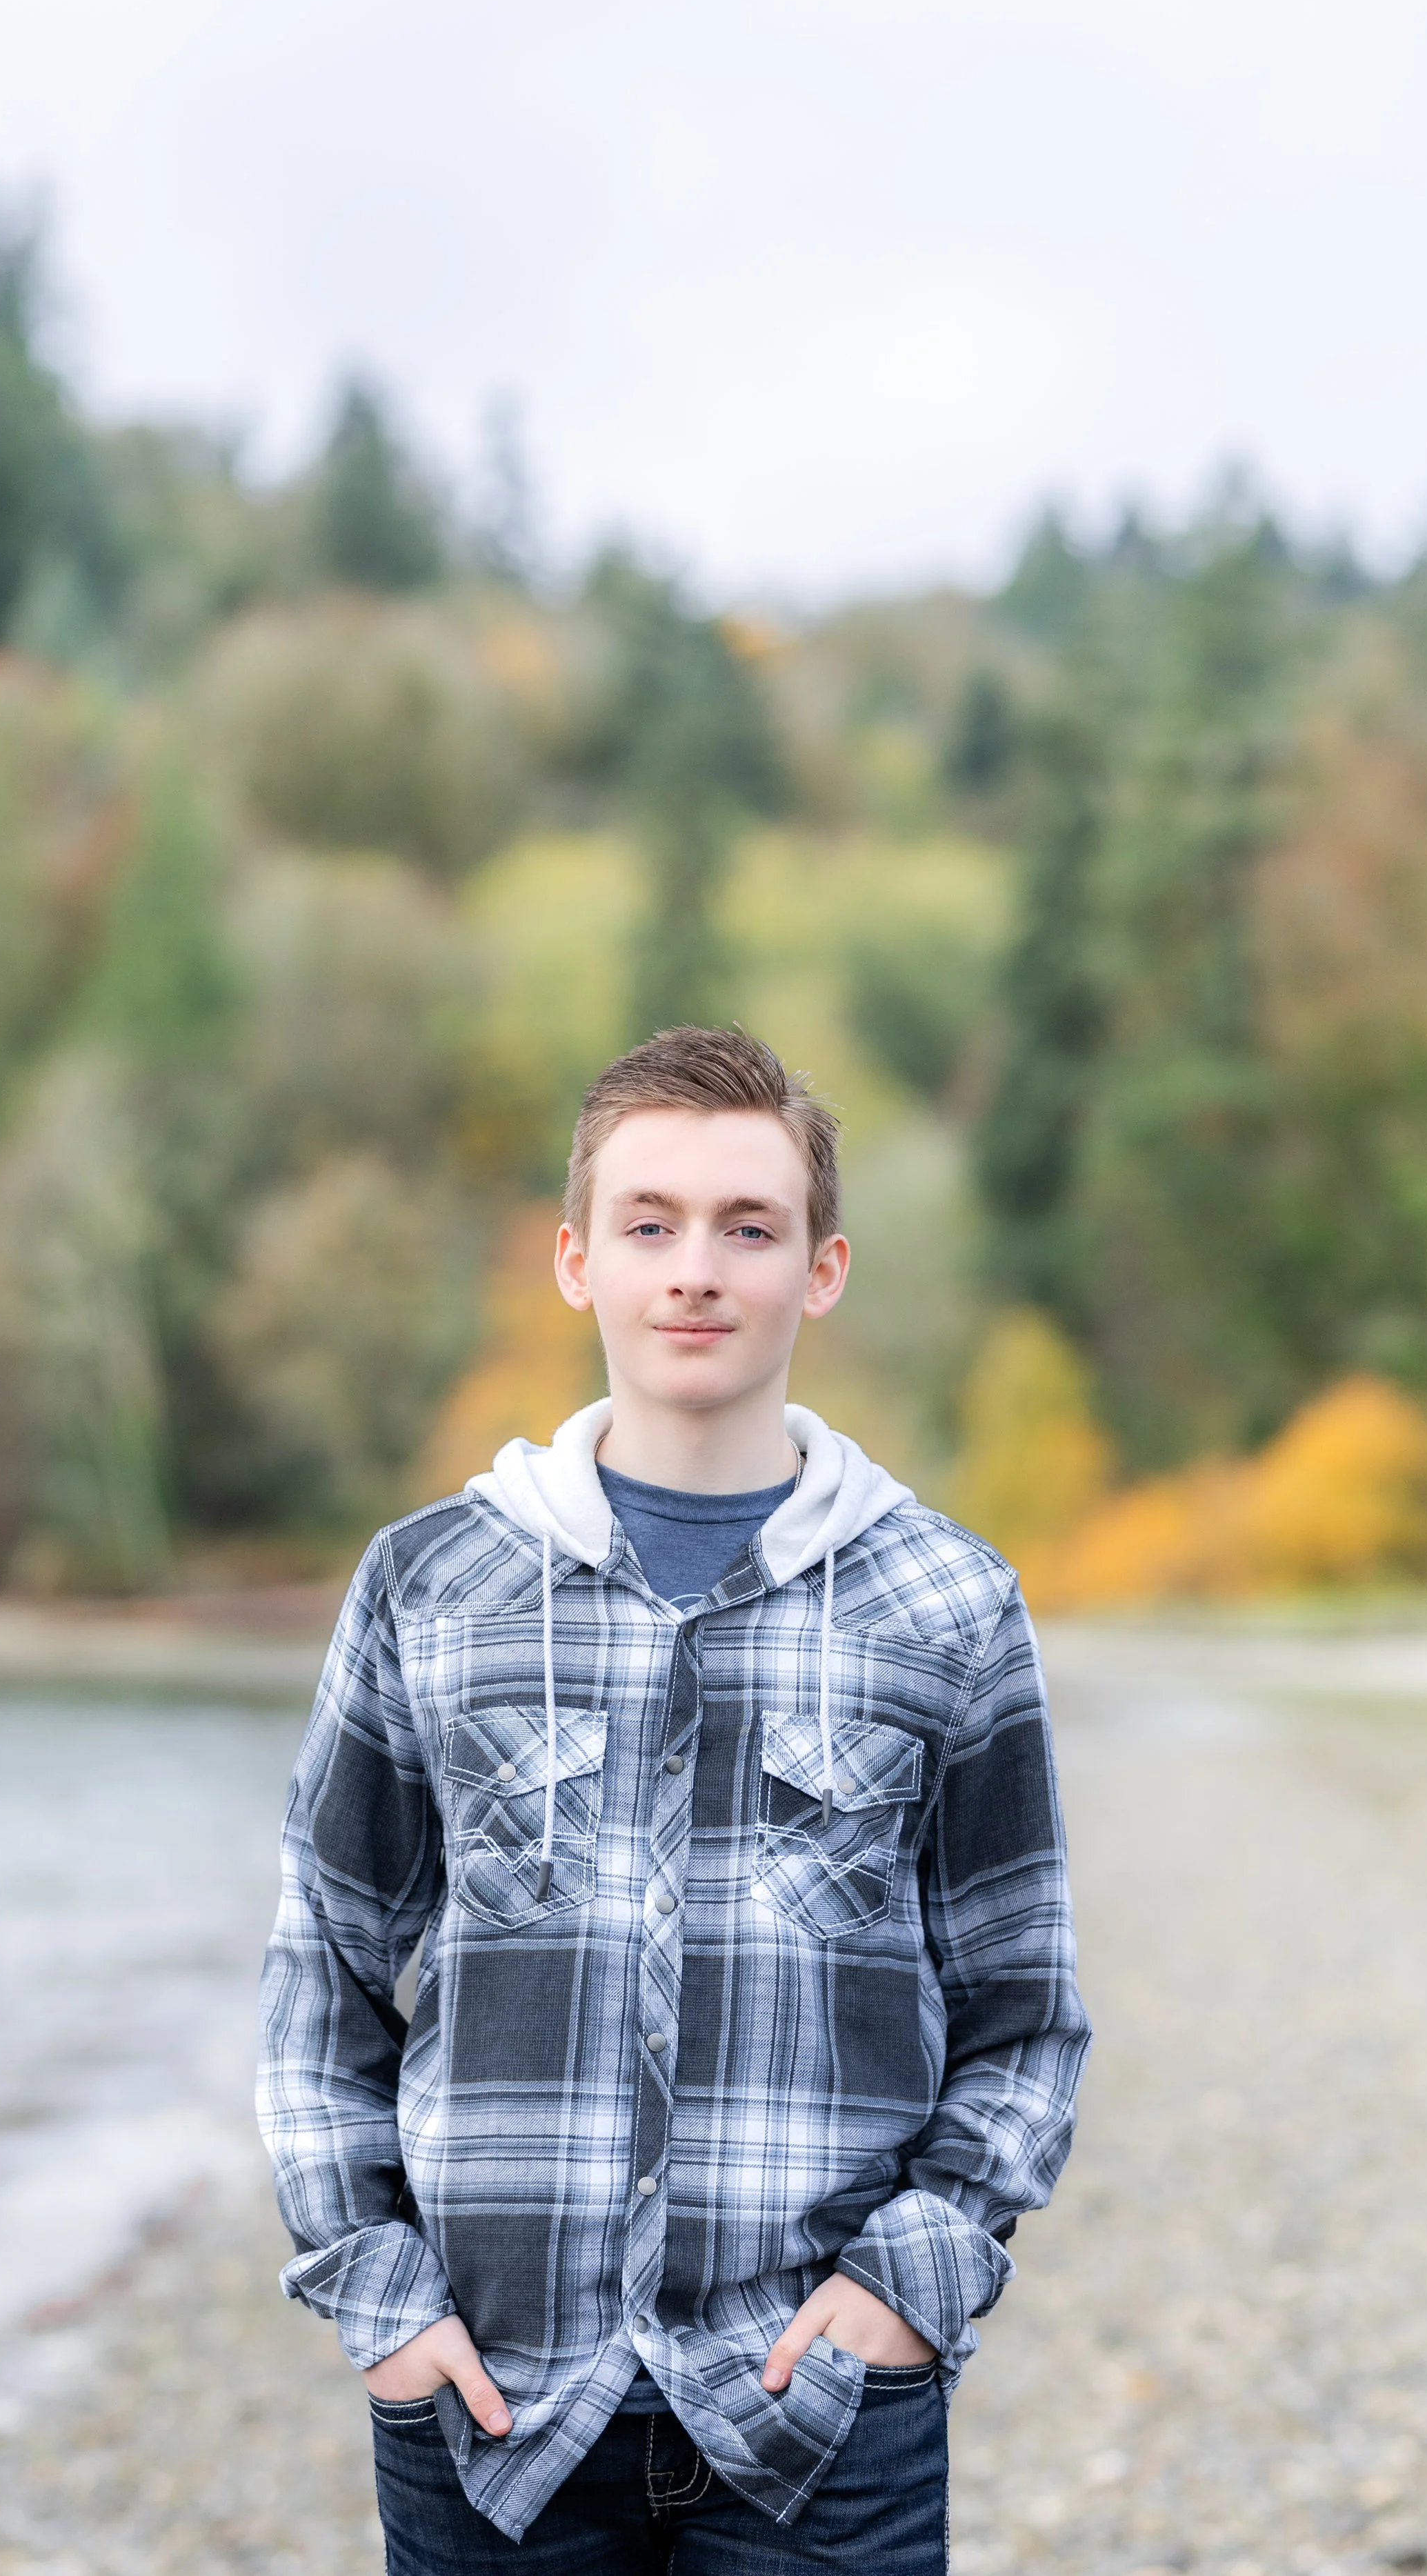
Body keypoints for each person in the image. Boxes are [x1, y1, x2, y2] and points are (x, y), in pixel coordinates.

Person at [258, 1025, 1090, 2572]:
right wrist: (377, 2294)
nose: (693, 1269)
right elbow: (324, 1972)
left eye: (746, 1227)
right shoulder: (429, 1587)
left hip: (819, 2417)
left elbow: (1020, 2012)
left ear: (820, 1270)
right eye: (648, 1224)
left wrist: (911, 2282)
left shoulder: (947, 1604)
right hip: (493, 2409)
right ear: (576, 1262)